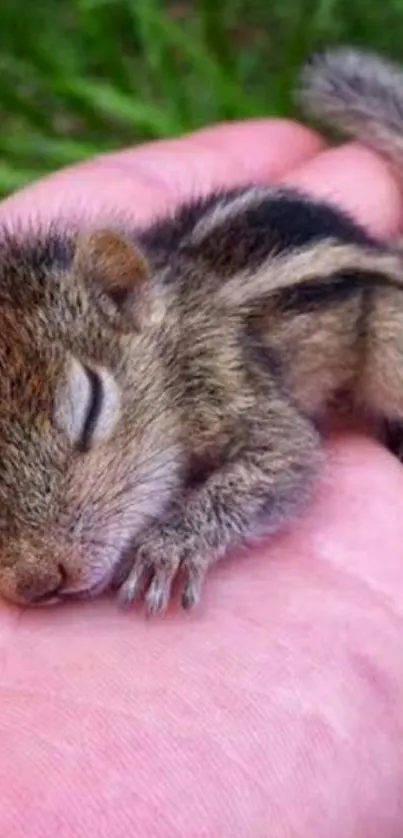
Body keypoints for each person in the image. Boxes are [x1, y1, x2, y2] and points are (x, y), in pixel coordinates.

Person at [1, 117, 403, 838]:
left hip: (359, 309)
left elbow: (287, 456)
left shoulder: (202, 371)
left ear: (126, 298)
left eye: (90, 414)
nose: (39, 566)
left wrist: (194, 525)